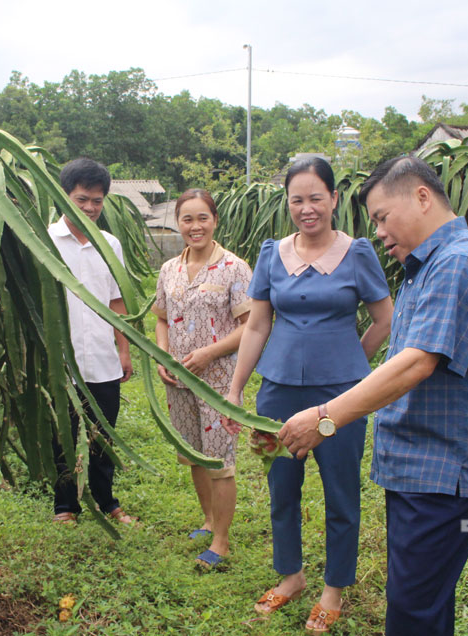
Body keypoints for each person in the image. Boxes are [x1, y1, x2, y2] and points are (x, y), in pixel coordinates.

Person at [275, 155, 468, 635]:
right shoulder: (426, 266)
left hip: (445, 475)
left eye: (384, 217)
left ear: (422, 197)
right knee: (423, 599)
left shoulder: (458, 263)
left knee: (411, 608)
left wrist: (326, 417)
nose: (380, 232)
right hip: (423, 470)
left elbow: (415, 362)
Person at [223, 157, 393, 633]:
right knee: (282, 489)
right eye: (297, 199)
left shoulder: (358, 253)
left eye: (316, 197)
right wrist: (236, 389)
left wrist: (352, 367)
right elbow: (258, 324)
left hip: (340, 400)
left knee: (341, 494)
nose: (307, 208)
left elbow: (385, 319)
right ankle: (291, 576)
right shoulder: (271, 254)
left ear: (335, 199)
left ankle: (333, 590)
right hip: (277, 393)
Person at [151, 189, 253, 569]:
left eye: (202, 218)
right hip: (177, 381)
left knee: (219, 460)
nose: (195, 227)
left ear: (215, 220)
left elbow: (252, 326)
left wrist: (209, 353)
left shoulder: (234, 268)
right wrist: (163, 355)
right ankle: (209, 521)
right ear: (178, 223)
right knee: (193, 454)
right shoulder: (169, 269)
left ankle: (222, 543)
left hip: (219, 381)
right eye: (187, 219)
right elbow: (162, 318)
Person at [47, 157, 136, 526]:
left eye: (97, 201)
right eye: (81, 198)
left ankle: (106, 502)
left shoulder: (110, 244)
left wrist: (124, 347)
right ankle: (65, 506)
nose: (89, 208)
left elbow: (116, 298)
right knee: (62, 434)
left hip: (101, 356)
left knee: (103, 433)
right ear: (64, 196)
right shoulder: (44, 239)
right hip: (59, 359)